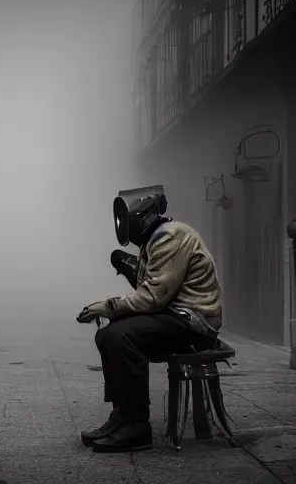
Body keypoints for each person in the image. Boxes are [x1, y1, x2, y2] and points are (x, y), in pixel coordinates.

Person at [76, 185, 223, 453]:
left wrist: (106, 307)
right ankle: (121, 416)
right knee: (108, 335)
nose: (125, 226)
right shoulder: (154, 239)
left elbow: (152, 298)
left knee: (121, 336)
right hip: (176, 315)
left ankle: (137, 428)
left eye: (128, 219)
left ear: (143, 216)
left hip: (194, 321)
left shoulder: (170, 236)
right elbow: (152, 292)